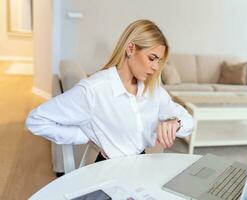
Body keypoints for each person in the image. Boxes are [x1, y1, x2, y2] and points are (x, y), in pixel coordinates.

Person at [26, 19, 194, 163]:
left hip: (142, 166)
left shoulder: (153, 91)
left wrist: (176, 123)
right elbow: (36, 120)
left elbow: (189, 121)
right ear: (130, 49)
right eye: (152, 58)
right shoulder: (94, 90)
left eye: (159, 61)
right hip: (109, 170)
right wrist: (85, 136)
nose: (156, 67)